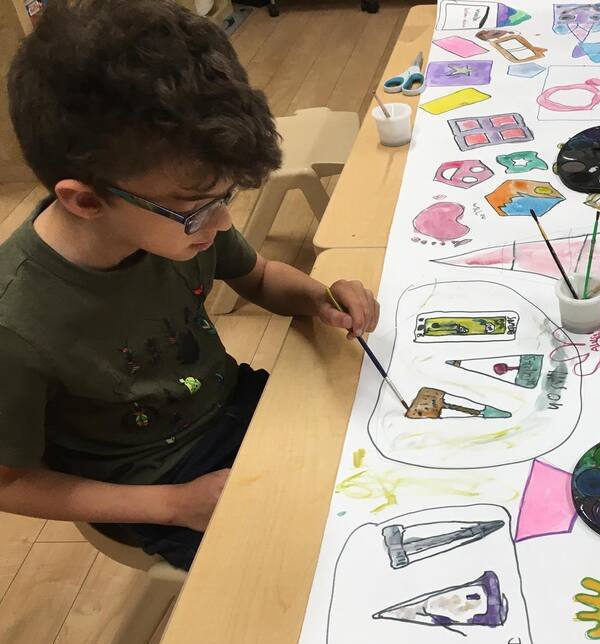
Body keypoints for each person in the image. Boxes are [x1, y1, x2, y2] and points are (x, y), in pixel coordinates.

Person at [0, 0, 379, 569]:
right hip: (151, 485)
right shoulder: (17, 324)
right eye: (199, 209)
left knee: (382, 469)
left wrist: (320, 297)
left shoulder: (174, 225)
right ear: (85, 200)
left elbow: (259, 276)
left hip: (232, 407)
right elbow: (11, 482)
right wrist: (174, 504)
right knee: (313, 574)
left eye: (227, 198)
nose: (222, 223)